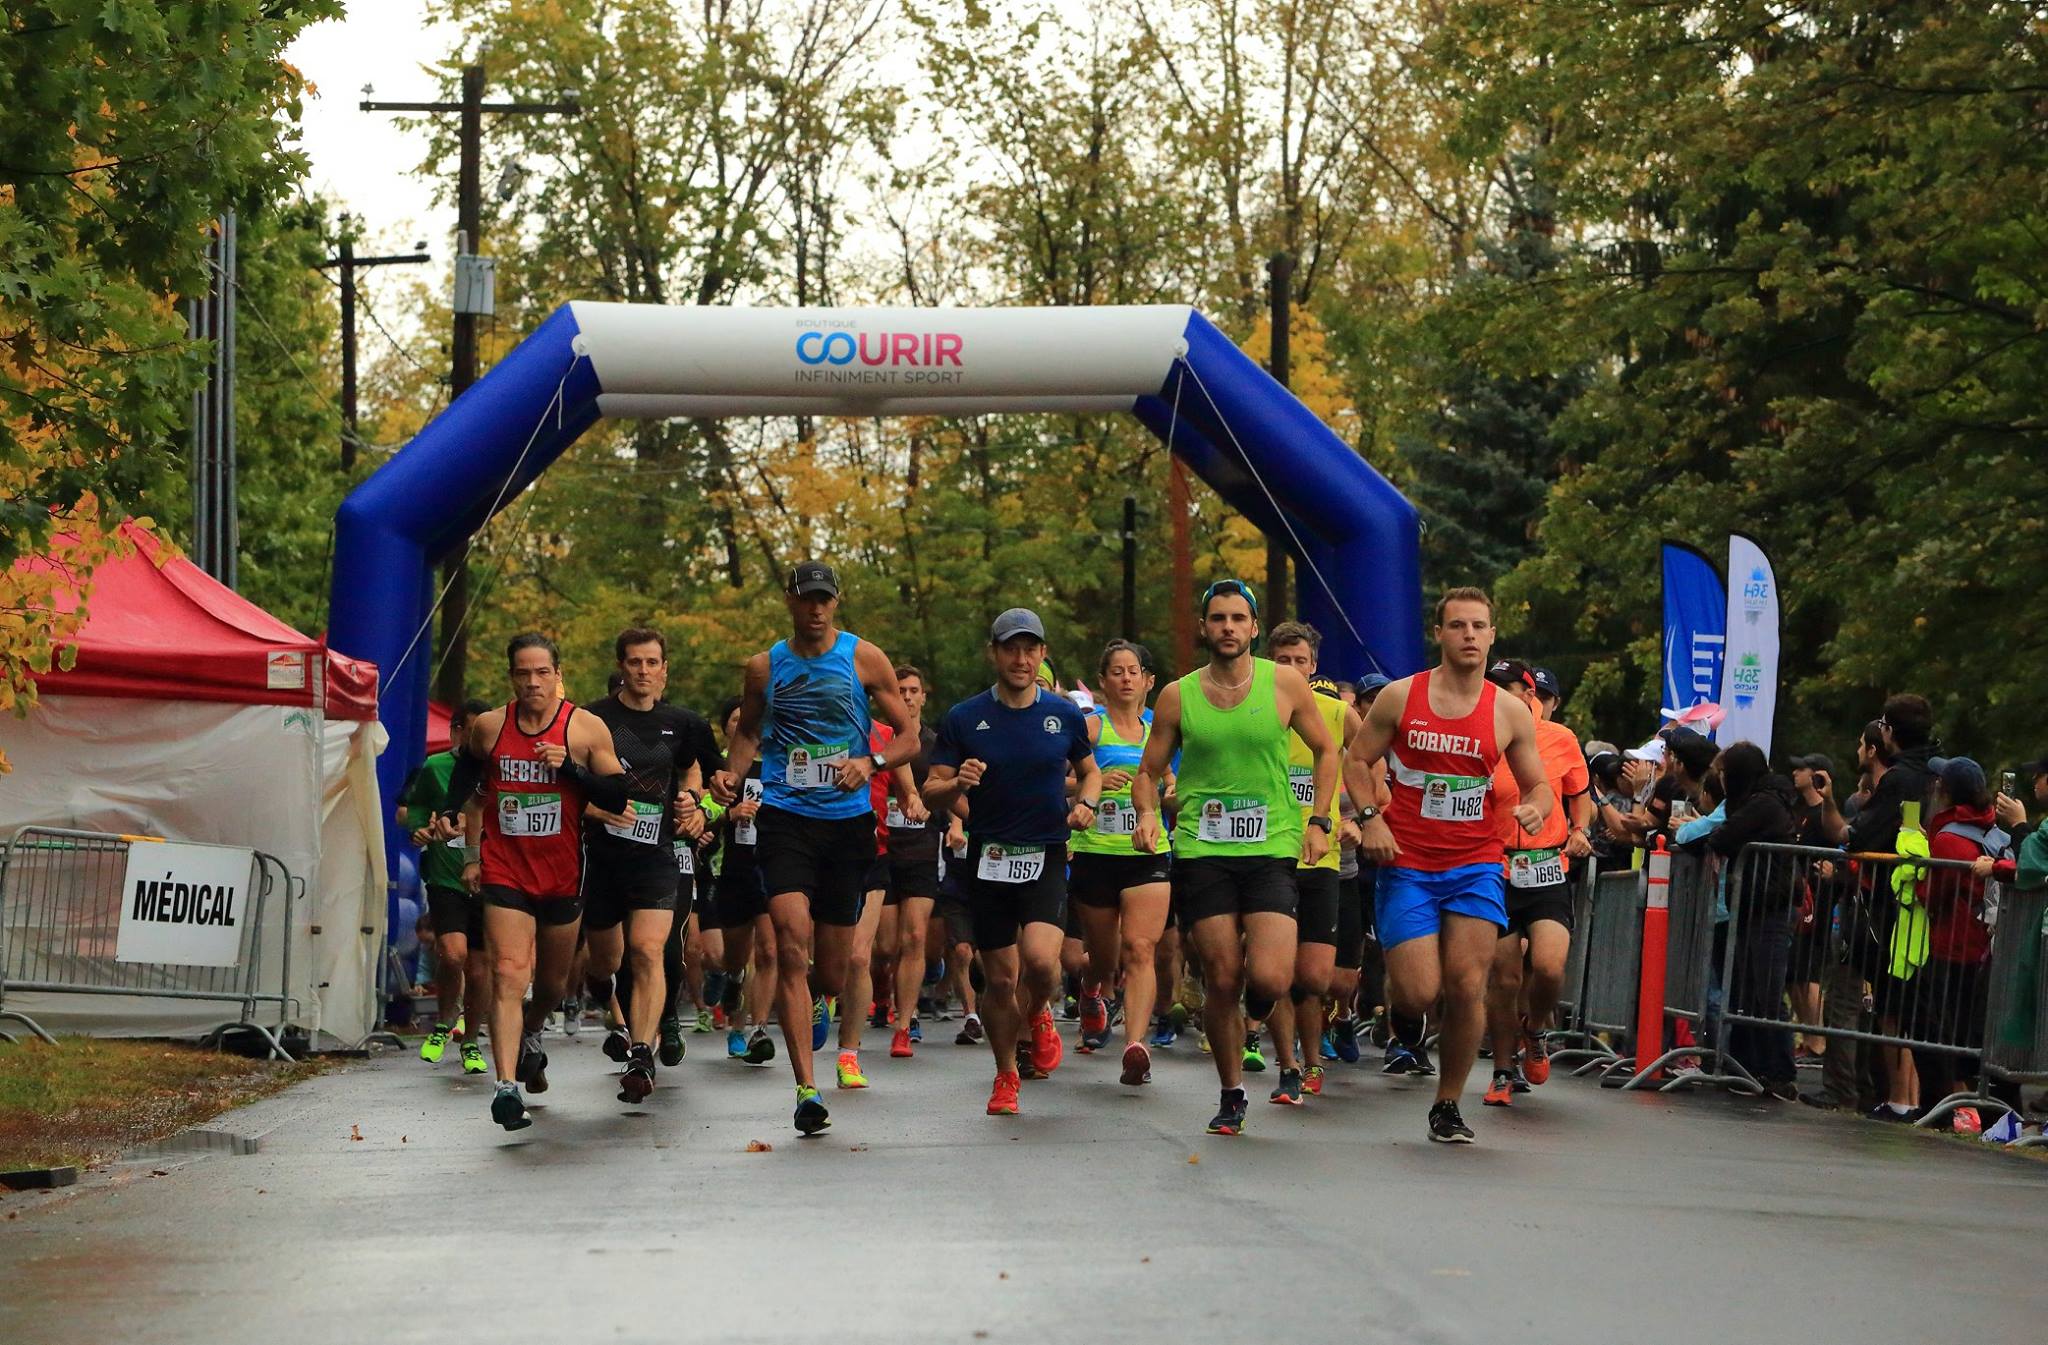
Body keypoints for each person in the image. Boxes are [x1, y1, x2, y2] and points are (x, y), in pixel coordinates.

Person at [710, 561, 922, 1136]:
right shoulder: (764, 668)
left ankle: (822, 1000)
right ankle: (806, 1087)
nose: (816, 608)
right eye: (807, 599)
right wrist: (730, 774)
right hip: (785, 817)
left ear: (836, 601)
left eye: (825, 599)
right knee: (787, 940)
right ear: (790, 600)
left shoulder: (863, 658)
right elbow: (749, 733)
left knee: (830, 969)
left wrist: (870, 762)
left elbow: (908, 738)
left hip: (848, 825)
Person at [1132, 580, 1338, 1136]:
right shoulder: (1178, 694)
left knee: (1270, 977)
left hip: (1272, 844)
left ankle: (1261, 1015)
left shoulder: (1284, 683)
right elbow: (1149, 771)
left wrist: (1319, 820)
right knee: (1223, 976)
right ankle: (1231, 1093)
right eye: (1217, 618)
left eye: (1238, 618)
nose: (1227, 627)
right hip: (1205, 847)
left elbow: (1326, 749)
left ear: (1252, 628)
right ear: (1205, 627)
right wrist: (1149, 815)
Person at [1350, 587, 1553, 1144]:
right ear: (1438, 634)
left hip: (1475, 863)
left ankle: (1447, 1104)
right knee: (1418, 992)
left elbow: (1538, 783)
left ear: (1491, 635)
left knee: (1467, 985)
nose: (1468, 635)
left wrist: (1536, 805)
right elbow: (1357, 760)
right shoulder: (1399, 697)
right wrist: (1370, 817)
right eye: (1457, 625)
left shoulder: (1509, 710)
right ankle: (1406, 1019)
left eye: (1478, 626)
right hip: (1408, 864)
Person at [439, 632, 633, 1131]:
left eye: (541, 673)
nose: (532, 683)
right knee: (508, 971)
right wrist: (448, 812)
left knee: (549, 983)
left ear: (556, 674)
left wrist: (568, 768)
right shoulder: (490, 726)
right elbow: (467, 773)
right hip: (505, 868)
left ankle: (532, 1031)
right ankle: (505, 1089)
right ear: (512, 678)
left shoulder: (585, 729)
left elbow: (616, 794)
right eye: (522, 674)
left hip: (562, 874)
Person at [923, 609, 1100, 1116]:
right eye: (1010, 649)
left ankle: (1039, 1012)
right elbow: (931, 789)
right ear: (994, 654)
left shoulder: (1063, 715)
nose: (1020, 659)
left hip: (1044, 852)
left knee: (1042, 964)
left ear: (1042, 655)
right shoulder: (964, 717)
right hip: (989, 858)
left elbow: (1088, 772)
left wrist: (1085, 804)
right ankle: (1005, 1075)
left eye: (1030, 649)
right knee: (1000, 980)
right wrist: (958, 783)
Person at [577, 628, 716, 1104]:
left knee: (648, 950)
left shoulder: (683, 723)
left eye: (652, 663)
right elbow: (571, 785)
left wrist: (693, 801)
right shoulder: (592, 718)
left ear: (664, 669)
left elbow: (696, 767)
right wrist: (598, 810)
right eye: (635, 662)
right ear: (622, 666)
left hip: (655, 856)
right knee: (605, 964)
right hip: (602, 858)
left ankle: (641, 1052)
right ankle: (613, 1010)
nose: (643, 671)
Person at [1263, 622, 1373, 1105]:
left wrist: (1363, 822)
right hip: (1268, 860)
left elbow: (1376, 771)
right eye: (1281, 661)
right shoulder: (1252, 713)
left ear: (1313, 668)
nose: (1290, 670)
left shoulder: (1336, 713)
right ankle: (1292, 1066)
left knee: (1315, 978)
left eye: (1299, 661)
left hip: (1323, 863)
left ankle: (1311, 1056)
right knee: (1278, 974)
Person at [1479, 659, 1591, 1107]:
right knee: (1504, 978)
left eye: (1506, 689)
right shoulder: (1482, 738)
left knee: (1548, 966)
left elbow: (1579, 797)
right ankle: (1503, 1070)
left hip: (1547, 866)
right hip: (1496, 867)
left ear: (1529, 696)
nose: (1497, 696)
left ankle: (1537, 1027)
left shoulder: (1560, 739)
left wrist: (1580, 831)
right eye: (1492, 688)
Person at [1065, 639, 1175, 1086]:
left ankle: (1136, 1046)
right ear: (1102, 681)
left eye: (1134, 671)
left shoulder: (1160, 730)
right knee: (1105, 957)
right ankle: (1093, 989)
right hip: (1095, 853)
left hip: (1147, 852)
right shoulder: (1091, 728)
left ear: (1148, 682)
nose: (1126, 679)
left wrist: (1170, 796)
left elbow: (1171, 782)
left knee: (1140, 949)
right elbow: (1058, 778)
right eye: (1117, 671)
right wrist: (1089, 785)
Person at [404, 697, 492, 1075]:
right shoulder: (436, 767)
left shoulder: (499, 769)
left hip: (492, 881)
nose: (479, 741)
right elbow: (415, 808)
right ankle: (444, 1020)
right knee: (452, 954)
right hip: (445, 876)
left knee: (478, 969)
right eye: (473, 733)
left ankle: (471, 1039)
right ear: (457, 730)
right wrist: (421, 829)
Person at [708, 696, 778, 1066]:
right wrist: (731, 813)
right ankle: (733, 986)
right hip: (733, 868)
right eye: (734, 720)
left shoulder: (780, 764)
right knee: (736, 956)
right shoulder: (723, 769)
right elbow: (704, 813)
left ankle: (757, 1029)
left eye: (746, 720)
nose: (741, 726)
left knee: (768, 951)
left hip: (772, 867)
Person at [881, 665, 944, 1061]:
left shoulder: (936, 745)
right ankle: (896, 997)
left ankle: (905, 1022)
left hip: (923, 848)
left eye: (913, 690)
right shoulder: (877, 738)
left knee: (914, 938)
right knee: (885, 946)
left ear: (923, 697)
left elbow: (949, 790)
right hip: (884, 850)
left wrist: (956, 822)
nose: (906, 696)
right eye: (899, 689)